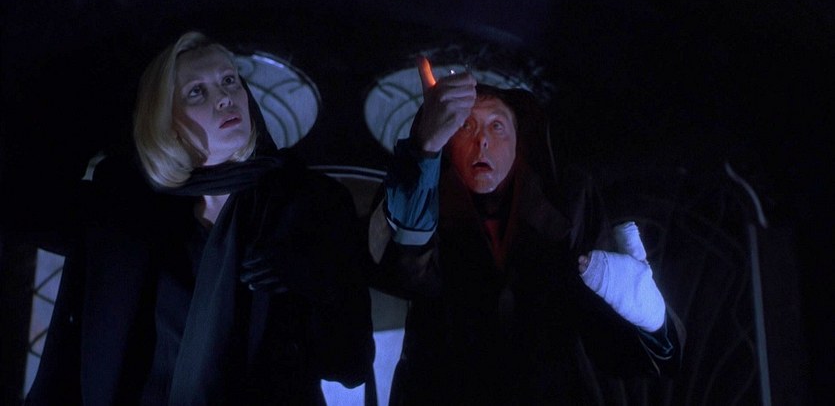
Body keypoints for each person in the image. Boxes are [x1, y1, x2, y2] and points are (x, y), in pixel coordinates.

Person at [25, 31, 375, 405]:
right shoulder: (128, 209)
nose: (224, 97)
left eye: (229, 80)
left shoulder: (310, 203)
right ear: (165, 119)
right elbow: (27, 209)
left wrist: (316, 284)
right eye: (197, 92)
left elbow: (350, 365)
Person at [367, 57, 684, 405]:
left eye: (497, 126)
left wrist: (650, 315)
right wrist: (424, 150)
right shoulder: (429, 199)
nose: (482, 141)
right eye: (466, 127)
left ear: (520, 143)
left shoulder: (568, 201)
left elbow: (615, 348)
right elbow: (402, 270)